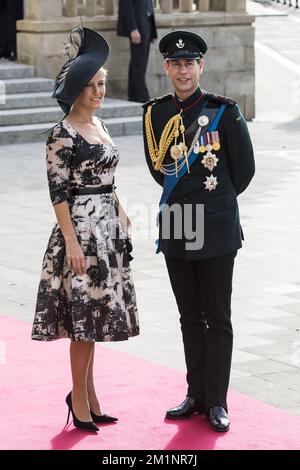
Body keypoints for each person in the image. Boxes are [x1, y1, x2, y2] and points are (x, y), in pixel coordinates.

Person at [142, 31, 255, 432]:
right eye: (175, 64)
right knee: (189, 315)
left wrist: (212, 204)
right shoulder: (154, 114)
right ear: (166, 68)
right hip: (176, 223)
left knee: (217, 316)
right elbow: (160, 171)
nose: (183, 70)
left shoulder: (223, 111)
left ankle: (217, 400)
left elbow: (243, 172)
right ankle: (195, 394)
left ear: (200, 66)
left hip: (216, 225)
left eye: (189, 63)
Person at [31, 26, 139, 432]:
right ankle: (78, 400)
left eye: (103, 84)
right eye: (92, 86)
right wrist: (72, 244)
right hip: (79, 233)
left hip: (107, 231)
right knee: (82, 320)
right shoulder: (61, 134)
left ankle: (91, 397)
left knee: (94, 318)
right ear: (76, 89)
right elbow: (58, 194)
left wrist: (124, 219)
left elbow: (110, 181)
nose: (99, 92)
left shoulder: (102, 125)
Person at [117, 0, 157, 102]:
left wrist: (151, 32)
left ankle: (134, 96)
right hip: (138, 27)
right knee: (139, 64)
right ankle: (143, 98)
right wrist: (133, 28)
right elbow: (126, 6)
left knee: (138, 63)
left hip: (146, 25)